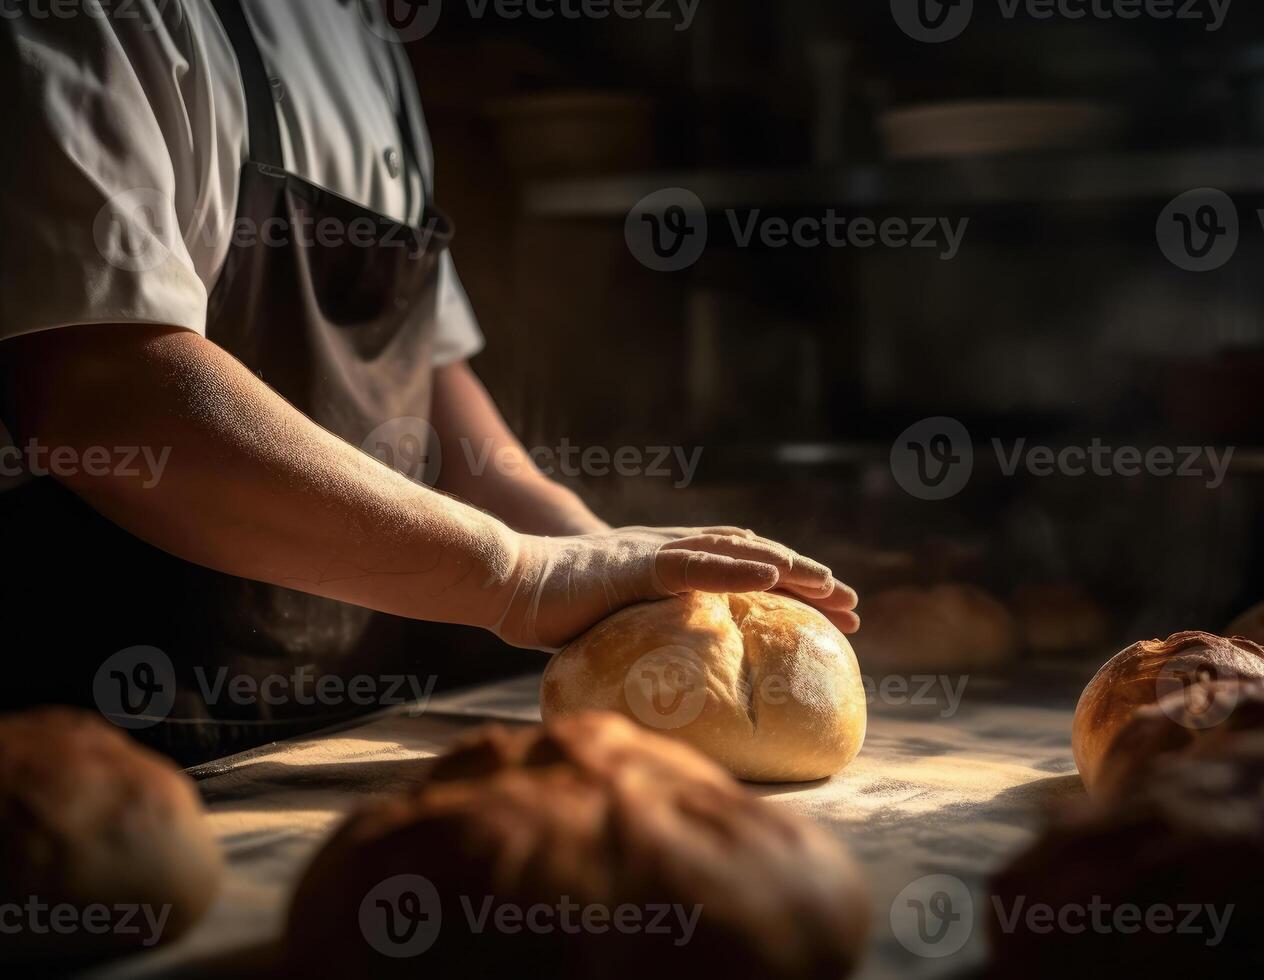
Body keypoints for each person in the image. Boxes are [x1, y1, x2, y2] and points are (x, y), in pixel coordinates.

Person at [0, 0, 857, 763]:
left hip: (345, 736)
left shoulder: (372, 36)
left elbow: (432, 379)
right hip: (98, 745)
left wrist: (601, 554)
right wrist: (518, 574)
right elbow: (101, 388)